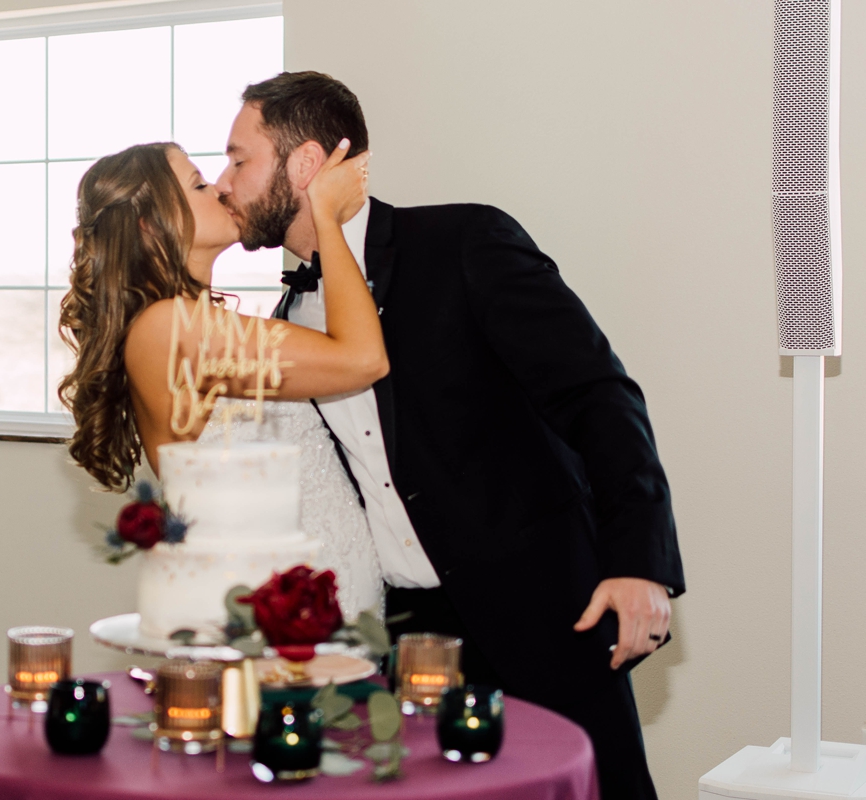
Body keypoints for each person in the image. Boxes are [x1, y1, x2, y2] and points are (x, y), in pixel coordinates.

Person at [214, 71, 685, 800]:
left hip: (542, 617)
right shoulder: (286, 314)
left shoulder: (464, 242)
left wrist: (640, 563)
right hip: (405, 641)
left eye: (239, 158)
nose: (226, 181)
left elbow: (599, 395)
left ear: (305, 165)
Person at [57, 140, 384, 620]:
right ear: (149, 224)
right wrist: (326, 216)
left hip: (319, 609)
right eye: (199, 184)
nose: (221, 189)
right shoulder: (169, 329)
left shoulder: (190, 323)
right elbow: (361, 359)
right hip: (266, 617)